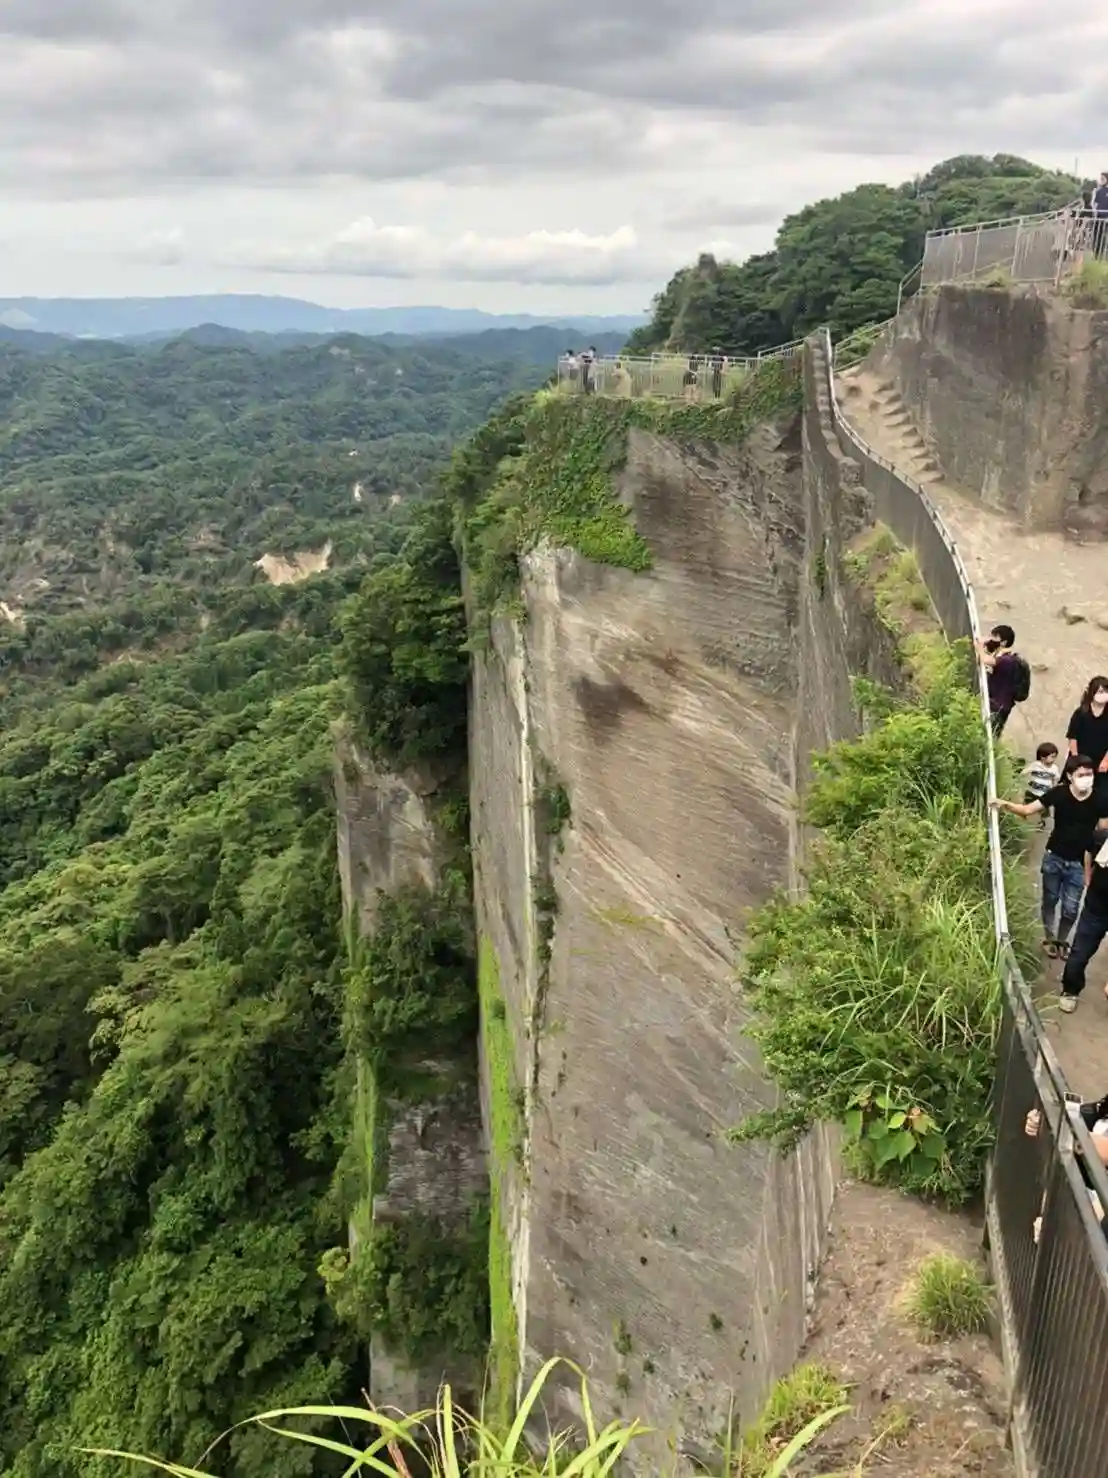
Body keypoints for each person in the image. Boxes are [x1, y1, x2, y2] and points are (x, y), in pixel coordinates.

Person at [991, 755, 1108, 963]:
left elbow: (1102, 834)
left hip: (1078, 863)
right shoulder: (1059, 794)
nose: (1086, 778)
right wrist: (1002, 804)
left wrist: (1092, 868)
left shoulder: (1100, 800)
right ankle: (1050, 938)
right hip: (1054, 857)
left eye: (1089, 774)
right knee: (1050, 901)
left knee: (1071, 909)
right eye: (1081, 774)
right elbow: (1028, 810)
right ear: (1070, 776)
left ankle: (1062, 941)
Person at [1060, 825, 1108, 1011]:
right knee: (1079, 953)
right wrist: (1087, 877)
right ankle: (1070, 990)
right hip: (1097, 907)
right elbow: (1088, 851)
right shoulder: (1102, 838)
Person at [975, 624, 1027, 737]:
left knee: (989, 735)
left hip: (998, 707)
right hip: (995, 704)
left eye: (994, 637)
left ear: (1003, 642)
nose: (990, 639)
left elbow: (986, 660)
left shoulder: (1008, 661)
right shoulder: (1002, 657)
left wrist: (979, 646)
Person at [1066, 676, 1108, 797]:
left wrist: (1106, 761)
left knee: (1101, 794)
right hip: (1081, 757)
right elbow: (1072, 737)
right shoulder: (1081, 713)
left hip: (1102, 760)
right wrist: (1076, 760)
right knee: (1077, 792)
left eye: (1106, 691)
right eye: (1100, 691)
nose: (1104, 695)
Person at [1023, 741, 1060, 830]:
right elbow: (1025, 772)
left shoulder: (1054, 768)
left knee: (1043, 810)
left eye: (1055, 756)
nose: (1054, 759)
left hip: (1045, 794)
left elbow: (1056, 779)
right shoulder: (1035, 765)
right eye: (1052, 756)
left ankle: (1041, 822)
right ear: (1043, 757)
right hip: (1032, 791)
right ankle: (1024, 816)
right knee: (1027, 804)